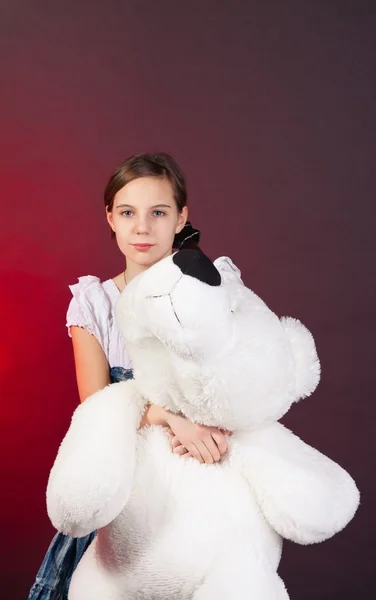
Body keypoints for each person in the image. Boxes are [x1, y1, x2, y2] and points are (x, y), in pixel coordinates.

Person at [28, 152, 240, 600]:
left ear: (181, 217)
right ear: (110, 217)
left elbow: (237, 383)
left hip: (197, 476)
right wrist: (171, 417)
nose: (142, 227)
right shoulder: (96, 304)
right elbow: (96, 407)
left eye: (158, 213)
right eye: (128, 213)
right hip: (125, 486)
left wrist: (209, 429)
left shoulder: (211, 293)